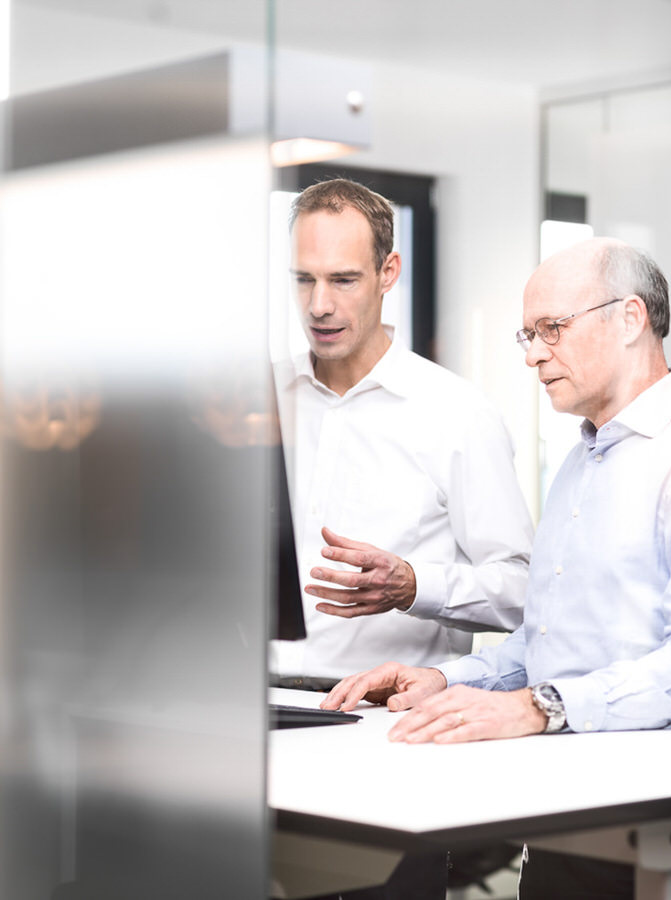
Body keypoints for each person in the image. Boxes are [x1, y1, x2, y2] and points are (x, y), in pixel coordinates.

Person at [322, 237, 671, 898]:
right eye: (527, 335)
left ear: (630, 319)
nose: (535, 353)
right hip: (567, 812)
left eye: (552, 329)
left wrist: (541, 708)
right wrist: (441, 678)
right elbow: (548, 647)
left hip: (669, 826)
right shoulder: (580, 461)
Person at [272, 178, 534, 900]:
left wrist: (415, 586)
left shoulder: (457, 416)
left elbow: (521, 591)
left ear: (389, 274)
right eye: (304, 279)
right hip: (253, 730)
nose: (319, 304)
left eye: (343, 279)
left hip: (381, 741)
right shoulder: (256, 402)